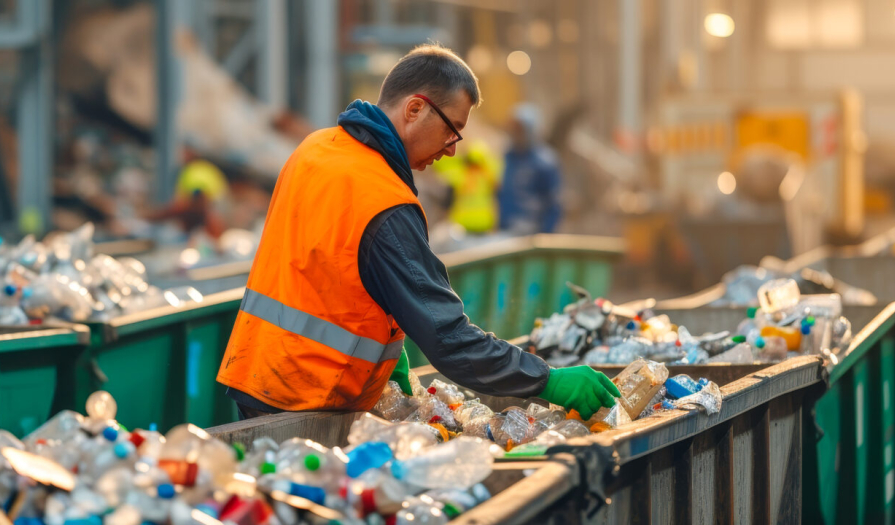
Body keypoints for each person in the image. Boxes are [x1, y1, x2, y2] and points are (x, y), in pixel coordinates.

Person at [216, 45, 618, 419]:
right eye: (452, 130)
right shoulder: (383, 200)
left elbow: (320, 265)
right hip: (307, 397)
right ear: (414, 109)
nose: (452, 149)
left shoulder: (315, 149)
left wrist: (383, 349)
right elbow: (449, 338)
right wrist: (547, 380)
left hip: (255, 376)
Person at [498, 103, 563, 234]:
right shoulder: (508, 157)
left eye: (519, 129)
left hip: (533, 234)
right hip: (506, 231)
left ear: (531, 130)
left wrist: (546, 234)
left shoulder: (545, 162)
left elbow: (554, 203)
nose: (515, 133)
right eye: (513, 129)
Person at [433, 140, 501, 234]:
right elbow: (441, 162)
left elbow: (441, 163)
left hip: (475, 224)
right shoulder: (484, 176)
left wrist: (464, 152)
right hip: (470, 225)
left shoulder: (467, 174)